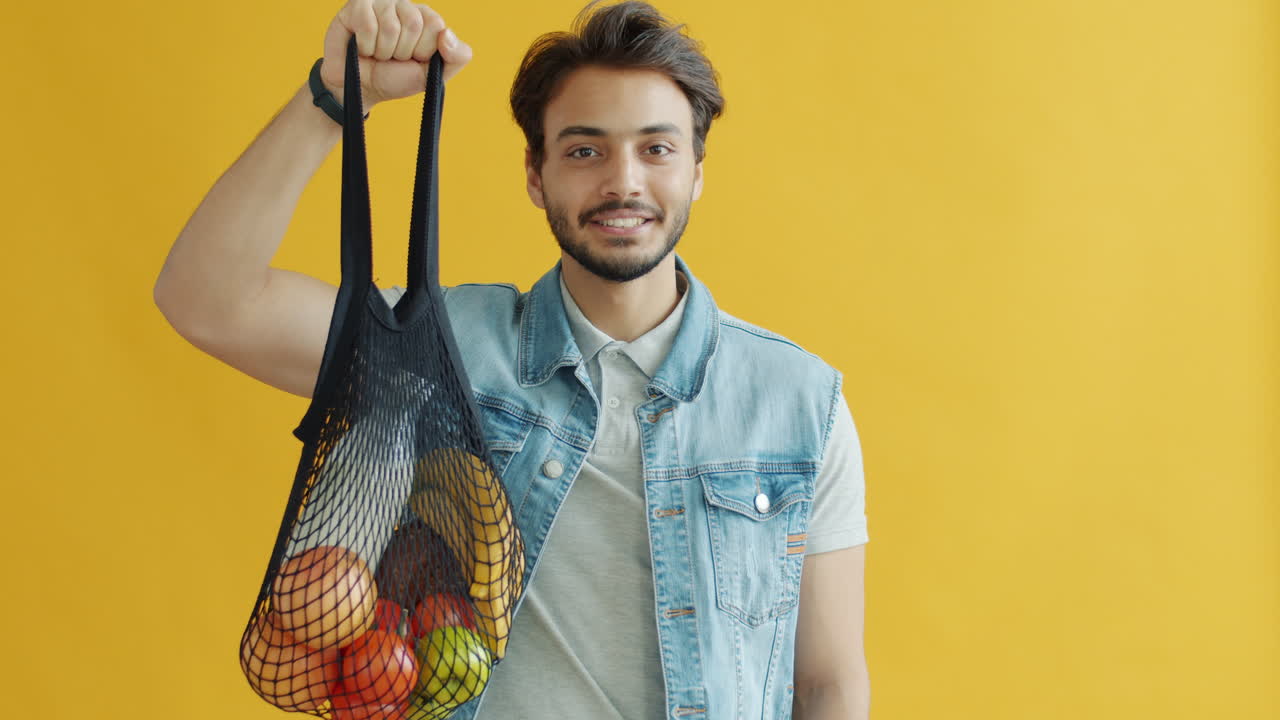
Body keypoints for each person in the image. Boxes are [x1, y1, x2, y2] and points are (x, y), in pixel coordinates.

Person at [153, 1, 870, 718]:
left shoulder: (798, 402)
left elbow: (826, 684)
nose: (623, 182)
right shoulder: (438, 348)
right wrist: (339, 97)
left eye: (657, 149)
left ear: (696, 172)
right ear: (535, 173)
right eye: (585, 151)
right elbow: (208, 301)